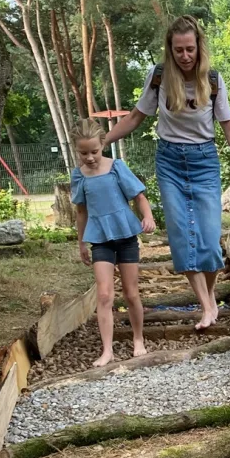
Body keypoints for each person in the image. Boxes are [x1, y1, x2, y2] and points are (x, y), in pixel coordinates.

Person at [105, 15, 230, 330]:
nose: (185, 56)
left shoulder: (214, 81)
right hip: (170, 161)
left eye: (190, 49)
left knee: (207, 238)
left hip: (204, 161)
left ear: (199, 47)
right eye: (178, 50)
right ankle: (208, 306)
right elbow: (136, 117)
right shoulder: (159, 77)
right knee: (182, 236)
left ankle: (208, 300)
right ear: (170, 49)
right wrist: (103, 141)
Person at [70, 119, 156, 367]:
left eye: (94, 151)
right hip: (100, 240)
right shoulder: (79, 176)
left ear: (102, 145)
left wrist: (147, 216)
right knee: (105, 294)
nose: (89, 158)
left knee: (130, 294)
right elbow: (81, 212)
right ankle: (107, 350)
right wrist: (82, 244)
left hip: (126, 236)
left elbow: (139, 197)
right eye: (83, 153)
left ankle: (138, 339)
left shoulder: (116, 167)